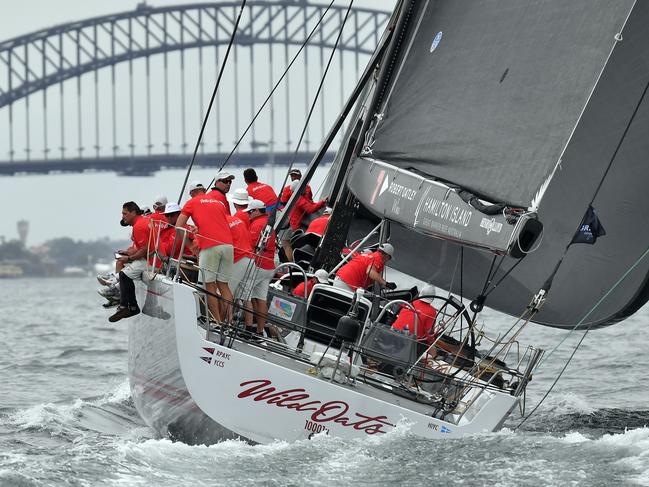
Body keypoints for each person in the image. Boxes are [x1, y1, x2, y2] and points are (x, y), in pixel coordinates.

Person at [176, 184, 234, 324]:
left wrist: (191, 247)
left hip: (210, 247)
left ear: (192, 193)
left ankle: (217, 322)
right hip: (228, 246)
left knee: (210, 286)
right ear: (203, 191)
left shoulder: (191, 202)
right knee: (224, 285)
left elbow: (178, 227)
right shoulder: (219, 203)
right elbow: (213, 223)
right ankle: (230, 322)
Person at [108, 201, 152, 322]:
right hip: (150, 257)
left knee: (124, 275)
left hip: (152, 260)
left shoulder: (139, 226)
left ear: (133, 212)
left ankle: (129, 307)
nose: (123, 216)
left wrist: (129, 258)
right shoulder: (141, 222)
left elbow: (145, 249)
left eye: (125, 213)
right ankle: (126, 305)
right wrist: (128, 253)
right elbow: (142, 247)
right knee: (124, 274)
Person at [246, 199, 277, 339]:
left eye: (250, 212)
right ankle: (259, 332)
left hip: (258, 264)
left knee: (244, 295)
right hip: (269, 266)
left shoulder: (256, 224)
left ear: (257, 211)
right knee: (261, 299)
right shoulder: (270, 225)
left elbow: (250, 243)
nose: (248, 215)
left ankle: (248, 329)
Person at [283, 179, 327, 261]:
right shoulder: (299, 198)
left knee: (288, 246)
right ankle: (293, 263)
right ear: (299, 189)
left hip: (293, 225)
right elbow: (310, 208)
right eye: (303, 188)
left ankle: (291, 262)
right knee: (291, 247)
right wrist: (322, 202)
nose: (305, 189)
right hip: (296, 227)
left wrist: (321, 202)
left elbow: (310, 204)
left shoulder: (297, 196)